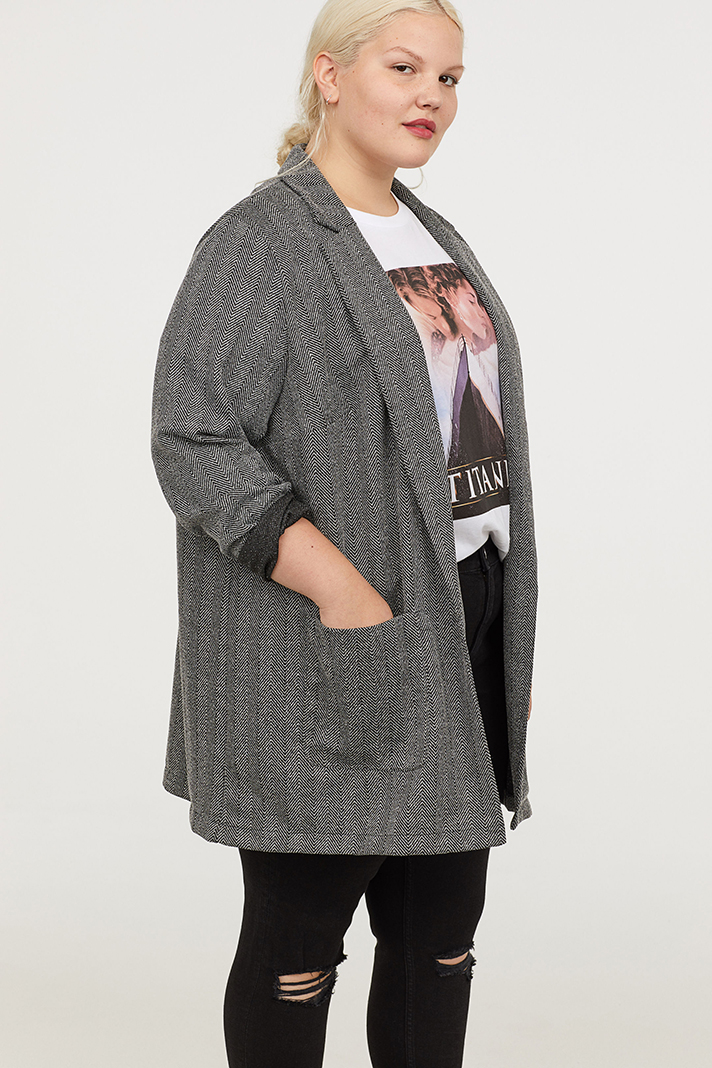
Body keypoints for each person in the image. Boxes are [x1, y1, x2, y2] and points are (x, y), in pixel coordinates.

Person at [150, 1, 538, 1065]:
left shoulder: (432, 234)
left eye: (450, 79)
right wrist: (341, 591)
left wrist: (494, 608)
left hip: (462, 615)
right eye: (404, 68)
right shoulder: (263, 241)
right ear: (329, 73)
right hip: (334, 636)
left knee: (440, 941)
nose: (431, 97)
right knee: (300, 945)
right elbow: (192, 435)